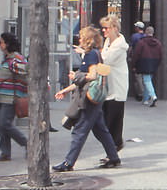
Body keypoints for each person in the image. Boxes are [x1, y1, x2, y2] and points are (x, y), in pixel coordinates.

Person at [53, 27, 120, 172]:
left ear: (88, 39)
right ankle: (113, 157)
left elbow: (92, 76)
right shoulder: (96, 53)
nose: (79, 39)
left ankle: (68, 163)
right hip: (94, 97)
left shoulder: (90, 55)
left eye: (82, 37)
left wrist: (76, 76)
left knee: (79, 131)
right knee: (101, 130)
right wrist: (65, 90)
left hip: (88, 99)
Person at [0, 32, 28, 162]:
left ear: (7, 44)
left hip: (10, 97)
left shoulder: (15, 59)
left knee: (5, 123)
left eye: (1, 42)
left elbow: (26, 72)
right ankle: (5, 152)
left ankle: (27, 143)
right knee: (0, 125)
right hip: (2, 96)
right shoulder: (7, 58)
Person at [98, 15, 129, 153]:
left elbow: (105, 59)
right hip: (109, 89)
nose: (104, 31)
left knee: (111, 124)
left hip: (117, 89)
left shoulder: (119, 45)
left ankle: (114, 150)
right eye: (103, 28)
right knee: (109, 123)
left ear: (115, 28)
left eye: (106, 28)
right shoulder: (108, 42)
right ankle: (113, 149)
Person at [131, 25, 162, 107]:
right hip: (154, 63)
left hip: (144, 63)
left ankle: (153, 96)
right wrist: (157, 63)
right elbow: (161, 55)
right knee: (148, 80)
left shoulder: (141, 42)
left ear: (146, 32)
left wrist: (133, 64)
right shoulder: (158, 43)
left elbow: (136, 54)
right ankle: (145, 99)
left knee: (146, 80)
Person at [129, 21, 146, 101]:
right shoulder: (146, 36)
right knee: (144, 77)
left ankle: (141, 93)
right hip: (145, 58)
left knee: (137, 77)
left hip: (137, 58)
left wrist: (129, 56)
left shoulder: (134, 36)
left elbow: (131, 47)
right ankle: (145, 92)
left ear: (138, 28)